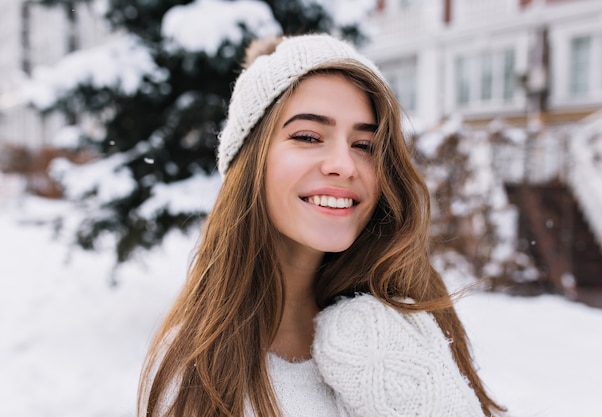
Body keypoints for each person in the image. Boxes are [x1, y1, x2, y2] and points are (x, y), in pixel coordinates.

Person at [137, 33, 506, 417]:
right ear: (250, 163)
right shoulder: (196, 368)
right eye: (309, 137)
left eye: (364, 145)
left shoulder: (406, 320)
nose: (344, 165)